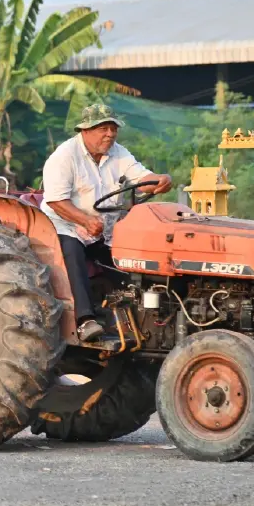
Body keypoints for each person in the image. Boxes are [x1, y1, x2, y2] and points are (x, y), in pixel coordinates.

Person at [40, 104, 172, 343]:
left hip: (103, 230)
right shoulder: (64, 156)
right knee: (72, 252)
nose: (110, 134)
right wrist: (85, 220)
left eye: (113, 129)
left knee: (128, 262)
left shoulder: (118, 153)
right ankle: (85, 321)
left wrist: (161, 180)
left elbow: (141, 178)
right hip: (66, 225)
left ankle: (140, 317)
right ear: (85, 130)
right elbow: (56, 200)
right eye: (103, 128)